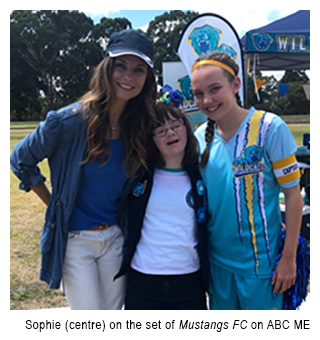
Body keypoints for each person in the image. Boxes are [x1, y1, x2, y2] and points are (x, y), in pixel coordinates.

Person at [10, 29, 157, 310]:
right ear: (106, 68)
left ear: (147, 79)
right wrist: (53, 204)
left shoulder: (140, 126)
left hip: (116, 239)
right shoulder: (66, 123)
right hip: (77, 242)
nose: (129, 77)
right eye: (121, 66)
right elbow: (21, 159)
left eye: (139, 70)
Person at [191, 52, 303, 310]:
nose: (206, 100)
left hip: (261, 269)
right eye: (198, 93)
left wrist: (288, 259)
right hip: (217, 266)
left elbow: (294, 196)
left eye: (214, 89)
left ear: (236, 85)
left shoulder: (269, 128)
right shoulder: (199, 138)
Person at [115, 101, 209, 310]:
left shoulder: (202, 175)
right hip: (143, 279)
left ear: (186, 128)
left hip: (189, 280)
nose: (170, 133)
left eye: (175, 125)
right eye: (160, 130)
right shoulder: (138, 177)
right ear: (151, 140)